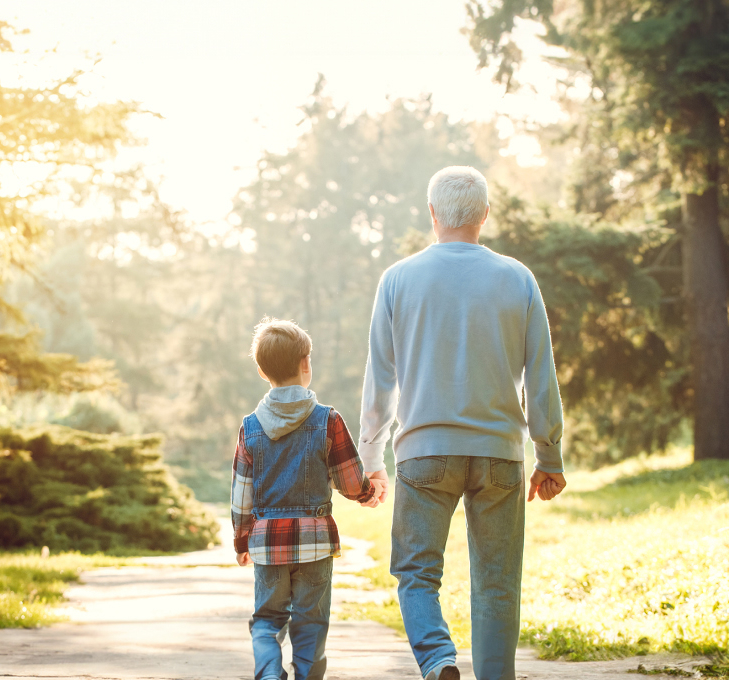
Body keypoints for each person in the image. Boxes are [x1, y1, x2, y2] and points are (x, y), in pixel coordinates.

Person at [358, 166, 566, 680]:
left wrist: (371, 459)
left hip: (424, 453)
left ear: (432, 214)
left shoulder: (398, 279)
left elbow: (380, 381)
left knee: (415, 572)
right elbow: (541, 377)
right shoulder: (517, 278)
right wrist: (549, 455)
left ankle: (437, 659)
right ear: (485, 215)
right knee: (497, 582)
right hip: (499, 454)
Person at [231, 317, 388, 680]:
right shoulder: (328, 420)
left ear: (261, 371)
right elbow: (349, 480)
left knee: (267, 620)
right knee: (311, 622)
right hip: (315, 542)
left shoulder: (250, 426)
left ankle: (269, 673)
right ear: (306, 364)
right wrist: (368, 493)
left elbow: (242, 493)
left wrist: (242, 541)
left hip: (268, 543)